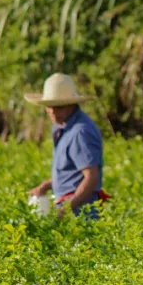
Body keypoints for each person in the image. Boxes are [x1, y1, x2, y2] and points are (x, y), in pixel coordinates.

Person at [25, 73, 110, 220]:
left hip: (81, 212)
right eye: (49, 107)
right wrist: (46, 186)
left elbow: (91, 178)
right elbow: (71, 173)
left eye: (58, 107)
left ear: (71, 105)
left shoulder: (80, 132)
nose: (52, 112)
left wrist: (66, 209)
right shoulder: (62, 128)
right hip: (69, 207)